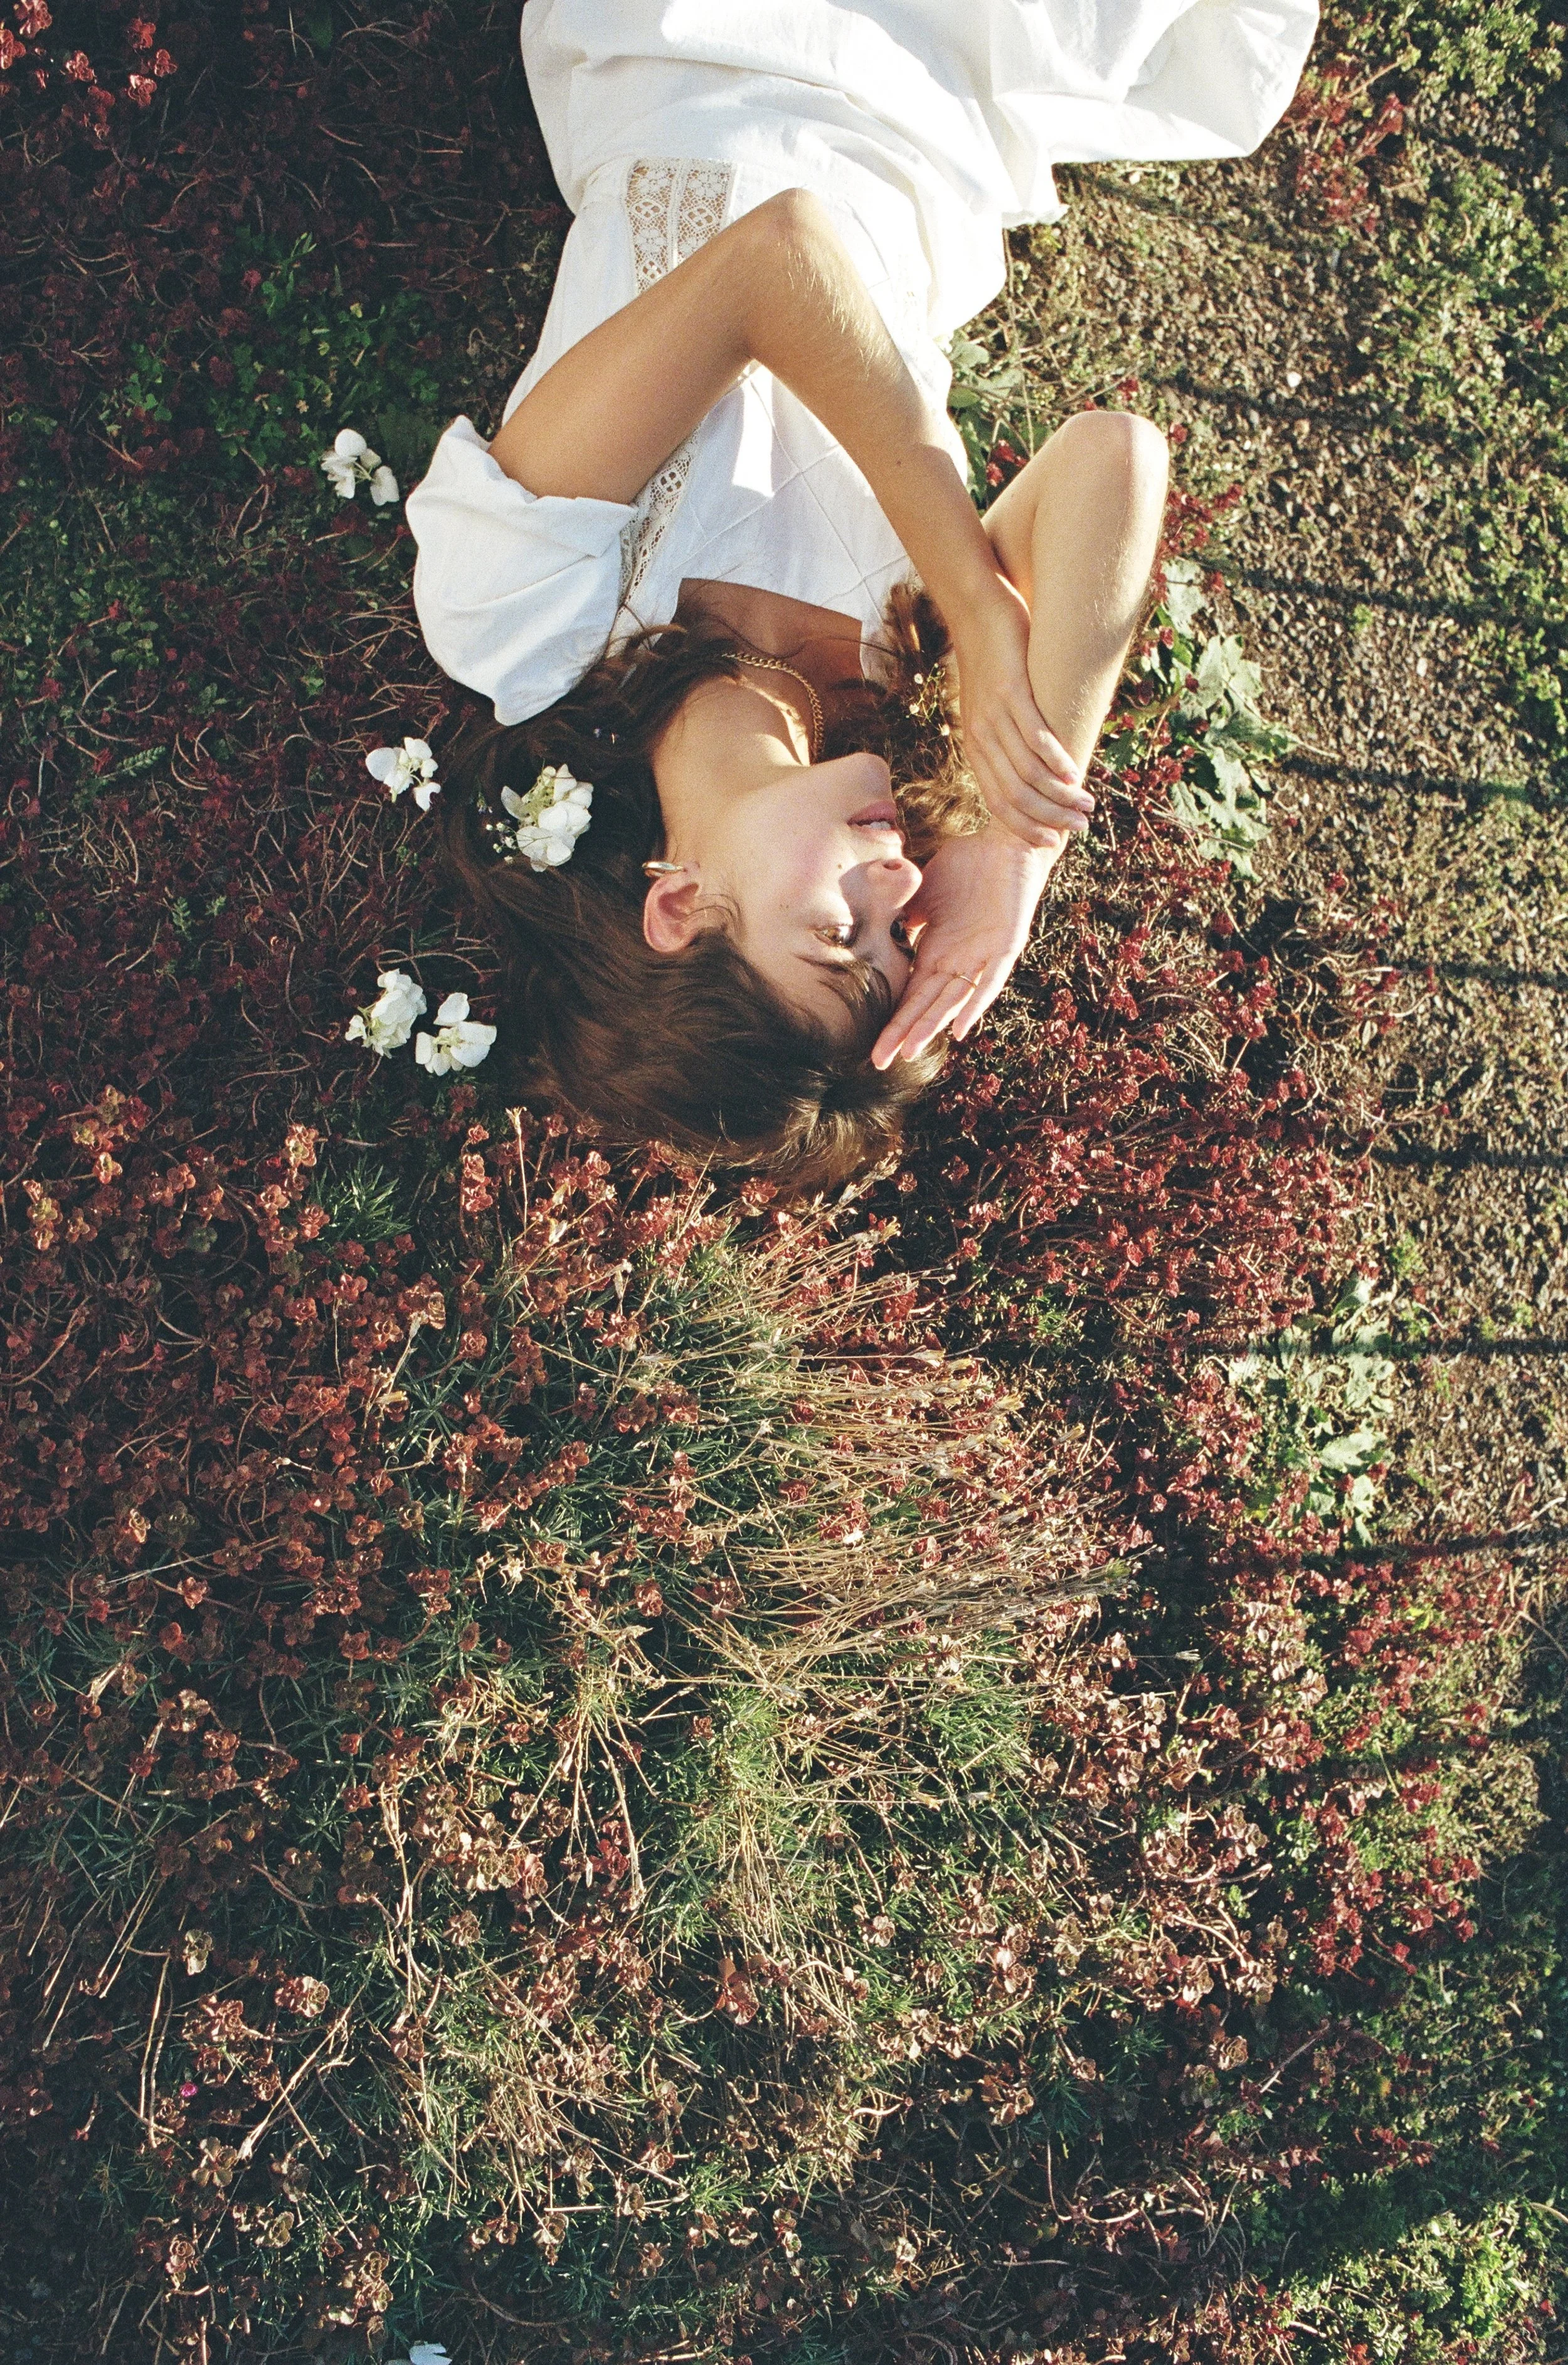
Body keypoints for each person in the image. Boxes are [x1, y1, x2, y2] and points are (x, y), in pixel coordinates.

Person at [407, 0, 1318, 1189]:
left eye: (839, 934)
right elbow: (1117, 460)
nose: (899, 886)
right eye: (902, 939)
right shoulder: (888, 711)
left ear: (679, 905)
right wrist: (1010, 848)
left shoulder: (526, 619)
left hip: (713, 37)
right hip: (937, 115)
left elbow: (776, 260)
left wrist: (983, 611)